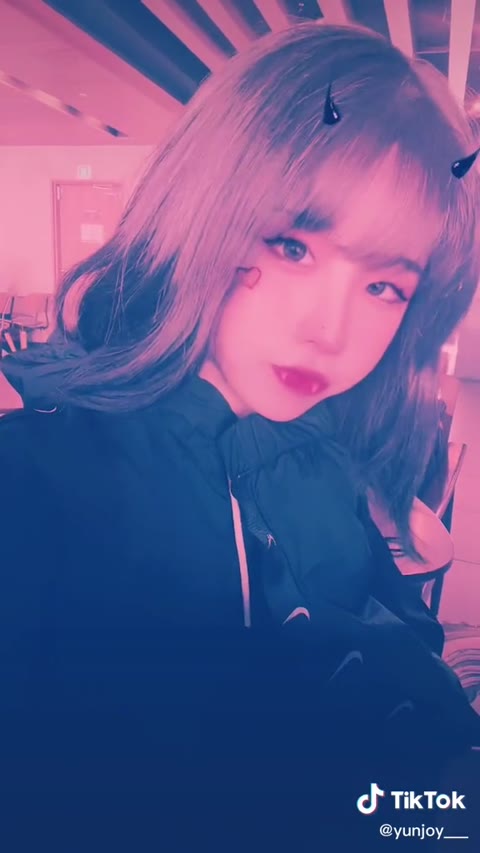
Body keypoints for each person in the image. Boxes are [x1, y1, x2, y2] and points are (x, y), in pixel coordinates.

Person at [1, 21, 480, 851]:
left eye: (383, 286)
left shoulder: (326, 456)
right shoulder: (39, 486)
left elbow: (408, 705)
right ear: (202, 209)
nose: (329, 330)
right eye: (292, 246)